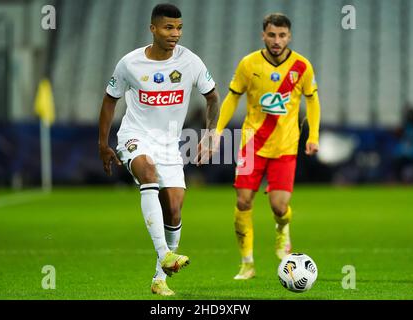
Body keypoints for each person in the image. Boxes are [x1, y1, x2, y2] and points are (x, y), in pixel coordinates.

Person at [98, 3, 219, 296]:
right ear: (153, 29)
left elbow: (213, 97)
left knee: (174, 210)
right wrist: (103, 143)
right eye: (168, 27)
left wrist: (211, 132)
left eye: (178, 28)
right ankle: (165, 252)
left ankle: (158, 279)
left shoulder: (190, 62)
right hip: (134, 136)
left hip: (169, 145)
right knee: (147, 172)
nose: (175, 33)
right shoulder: (129, 63)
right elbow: (110, 100)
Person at [213, 13, 321, 280]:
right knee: (242, 200)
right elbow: (231, 98)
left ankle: (282, 228)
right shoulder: (249, 64)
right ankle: (247, 263)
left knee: (280, 207)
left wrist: (313, 135)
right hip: (252, 144)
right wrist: (216, 131)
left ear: (289, 36)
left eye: (282, 35)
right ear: (264, 35)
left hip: (285, 146)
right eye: (272, 35)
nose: (277, 40)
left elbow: (313, 101)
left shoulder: (301, 66)